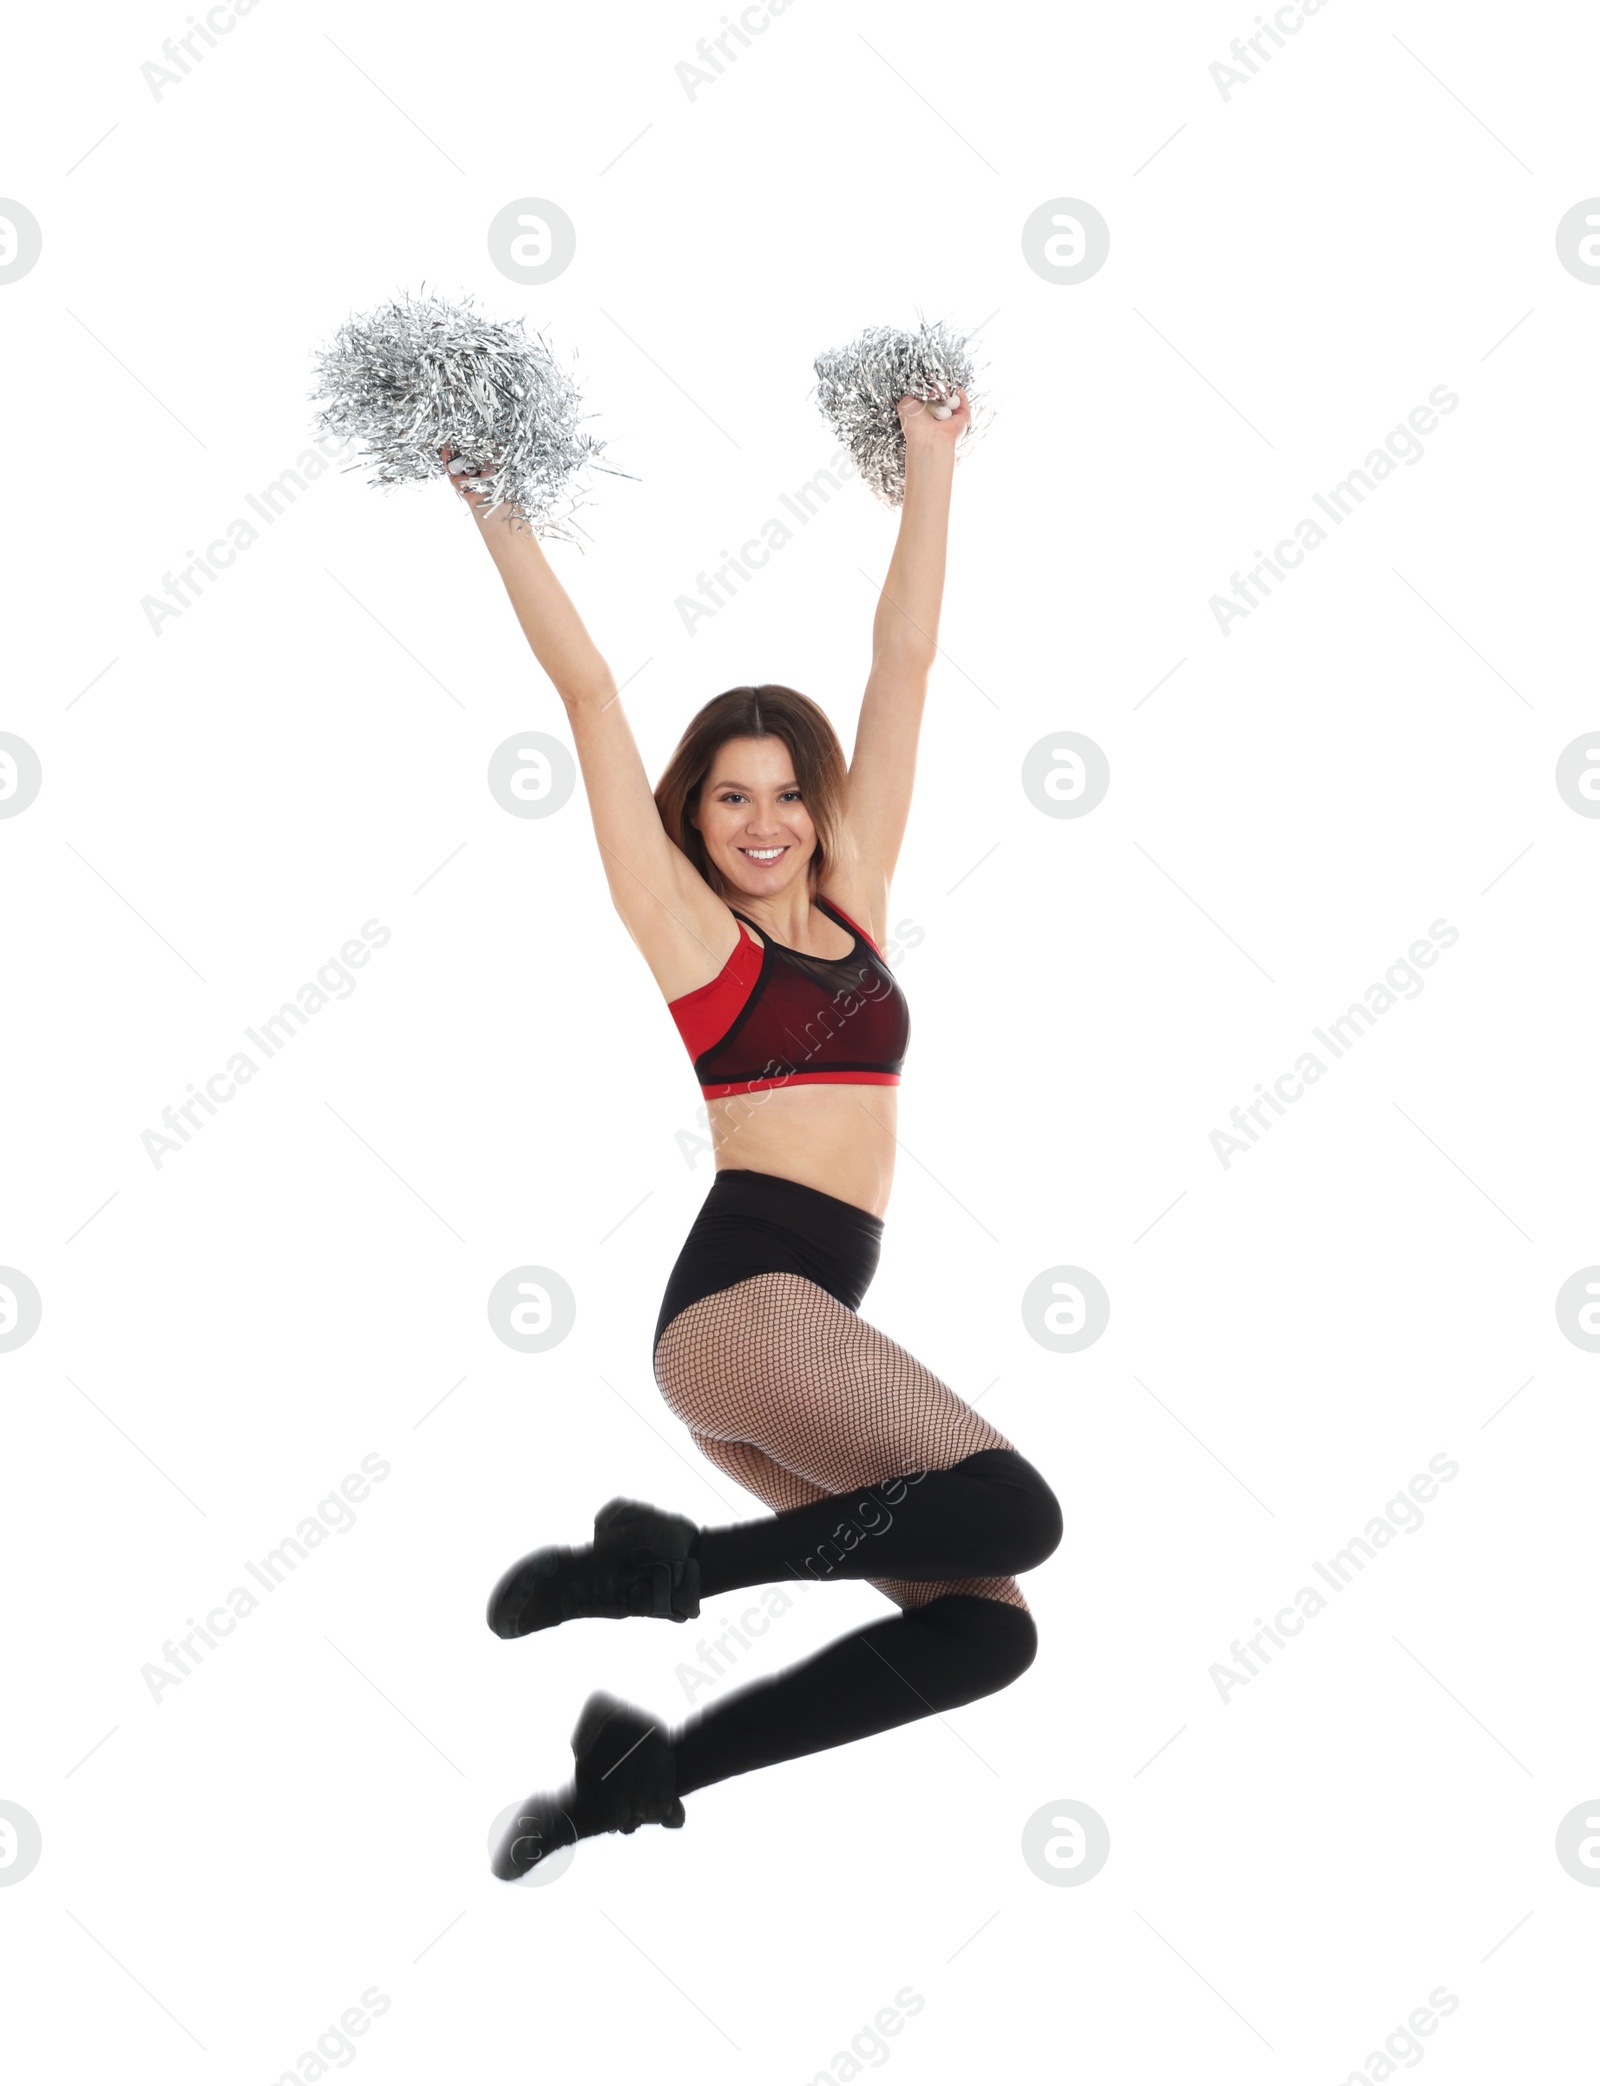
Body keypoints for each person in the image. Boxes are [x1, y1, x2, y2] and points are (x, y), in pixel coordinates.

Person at [453, 391, 1063, 1877]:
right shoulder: (692, 941)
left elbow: (903, 663)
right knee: (1019, 1508)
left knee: (988, 1626)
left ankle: (633, 1774)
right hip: (739, 1309)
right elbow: (593, 697)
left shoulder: (853, 900)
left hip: (778, 1339)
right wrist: (496, 508)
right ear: (697, 819)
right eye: (731, 799)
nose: (764, 820)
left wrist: (930, 464)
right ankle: (669, 1570)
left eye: (787, 791)